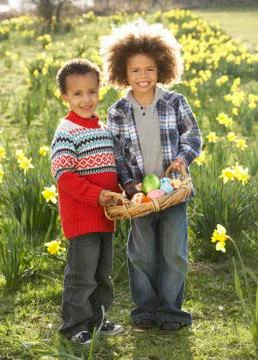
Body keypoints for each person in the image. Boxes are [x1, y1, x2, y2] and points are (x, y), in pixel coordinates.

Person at [100, 20, 202, 330]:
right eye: (135, 70)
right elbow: (116, 154)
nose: (142, 76)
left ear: (162, 69)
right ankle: (144, 309)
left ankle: (171, 310)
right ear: (122, 73)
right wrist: (129, 187)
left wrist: (183, 160)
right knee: (142, 254)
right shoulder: (118, 111)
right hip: (140, 197)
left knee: (174, 252)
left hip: (173, 191)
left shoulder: (175, 102)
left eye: (149, 69)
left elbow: (193, 136)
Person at [51, 58, 123, 345]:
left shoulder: (103, 129)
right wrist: (97, 196)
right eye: (78, 94)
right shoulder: (67, 131)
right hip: (82, 218)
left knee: (102, 274)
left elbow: (111, 171)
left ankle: (99, 319)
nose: (86, 99)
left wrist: (122, 193)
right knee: (82, 275)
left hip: (106, 216)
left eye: (91, 91)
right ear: (65, 97)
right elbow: (64, 176)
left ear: (99, 91)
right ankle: (74, 326)